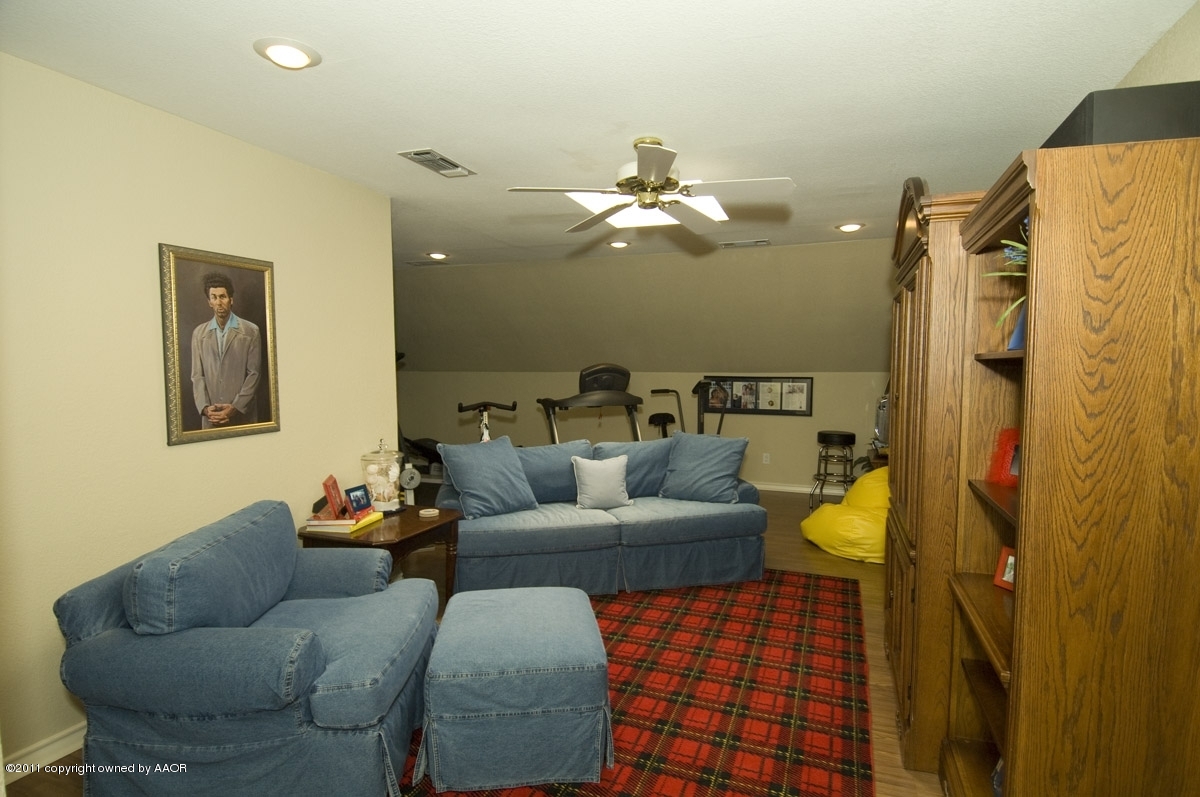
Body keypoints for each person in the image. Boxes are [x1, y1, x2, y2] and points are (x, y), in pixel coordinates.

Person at [191, 272, 261, 429]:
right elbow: (197, 376)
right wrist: (205, 408)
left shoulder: (251, 331)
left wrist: (234, 407)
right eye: (214, 297)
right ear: (209, 302)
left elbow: (254, 374)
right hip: (212, 418)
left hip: (243, 417)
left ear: (231, 300)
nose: (219, 302)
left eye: (222, 296)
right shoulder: (199, 333)